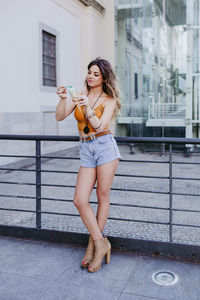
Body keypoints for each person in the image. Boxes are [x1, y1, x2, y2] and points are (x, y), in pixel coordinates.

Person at [55, 57, 121, 273]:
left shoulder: (109, 99)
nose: (90, 77)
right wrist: (64, 99)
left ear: (103, 78)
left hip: (104, 147)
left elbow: (101, 126)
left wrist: (88, 109)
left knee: (102, 196)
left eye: (96, 74)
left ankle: (93, 247)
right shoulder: (79, 95)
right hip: (85, 148)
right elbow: (60, 116)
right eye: (89, 72)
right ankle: (101, 241)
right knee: (80, 199)